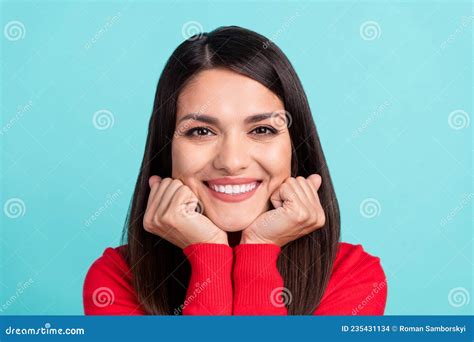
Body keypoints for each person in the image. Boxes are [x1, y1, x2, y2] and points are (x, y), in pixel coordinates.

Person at [83, 25, 387, 315]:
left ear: (296, 147)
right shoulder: (116, 280)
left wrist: (259, 249)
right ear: (167, 148)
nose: (231, 161)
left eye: (263, 129)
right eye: (201, 132)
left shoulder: (353, 277)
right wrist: (208, 254)